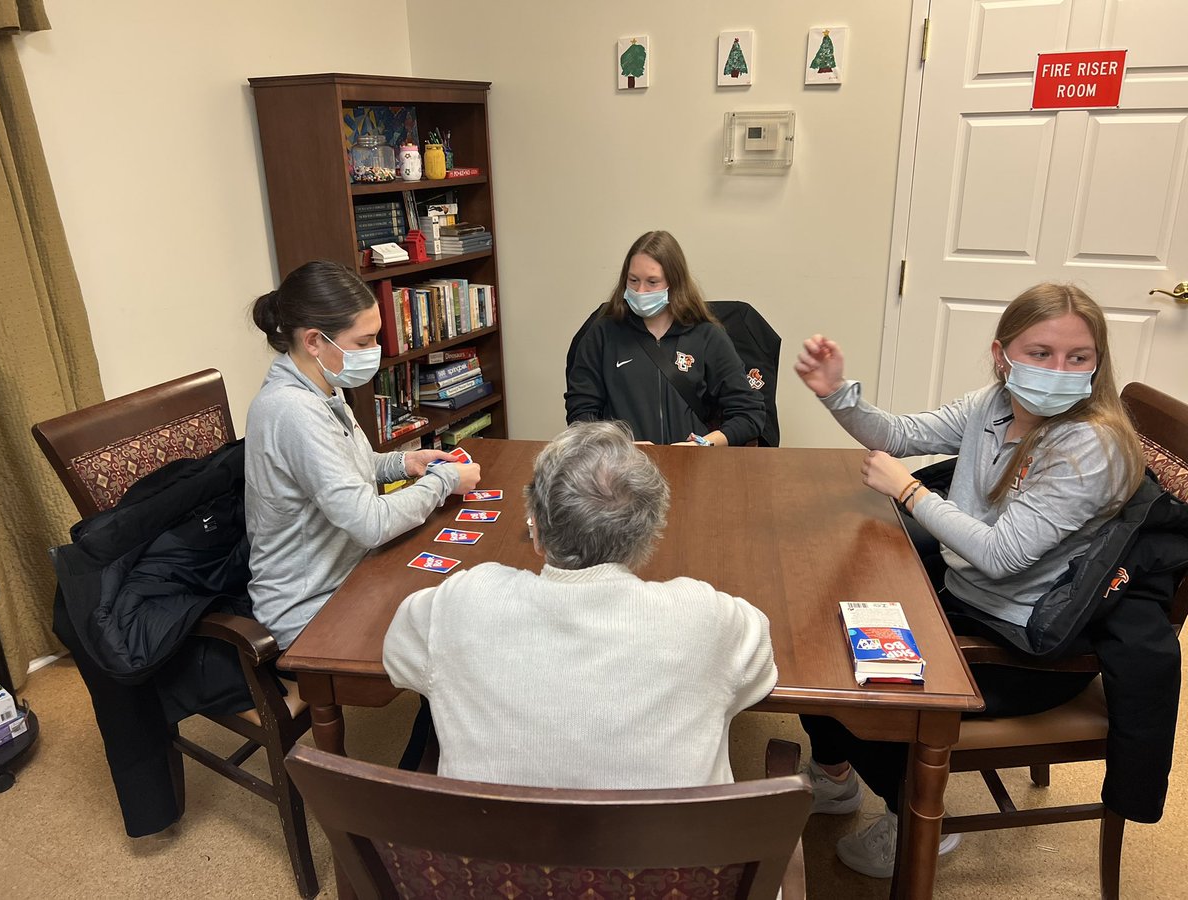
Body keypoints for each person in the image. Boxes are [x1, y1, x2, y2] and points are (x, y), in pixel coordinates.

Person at [792, 282, 1145, 878]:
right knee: (822, 624)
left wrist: (908, 490)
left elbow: (1002, 556)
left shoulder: (1090, 447)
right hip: (964, 603)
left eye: (1077, 358)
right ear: (1002, 354)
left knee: (853, 684)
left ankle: (916, 819)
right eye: (1040, 353)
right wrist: (836, 396)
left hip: (1021, 652)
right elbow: (900, 436)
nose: (1058, 370)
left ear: (1097, 364)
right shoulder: (997, 405)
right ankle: (835, 777)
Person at [381, 420, 777, 789]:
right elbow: (758, 668)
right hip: (667, 863)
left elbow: (399, 656)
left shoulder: (463, 599)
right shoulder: (705, 614)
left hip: (490, 860)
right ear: (649, 534)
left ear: (535, 526)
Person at [246, 259, 481, 649]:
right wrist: (445, 481)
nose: (375, 351)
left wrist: (408, 462)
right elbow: (370, 522)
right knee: (460, 634)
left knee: (462, 603)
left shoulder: (320, 385)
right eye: (363, 342)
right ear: (314, 341)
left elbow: (351, 465)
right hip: (311, 605)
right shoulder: (292, 410)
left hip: (354, 569)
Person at [565, 231, 766, 446]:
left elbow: (749, 414)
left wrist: (705, 444)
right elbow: (581, 412)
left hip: (692, 466)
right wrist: (616, 446)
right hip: (623, 469)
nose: (640, 291)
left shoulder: (708, 336)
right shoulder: (602, 334)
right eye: (633, 281)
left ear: (675, 283)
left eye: (652, 282)